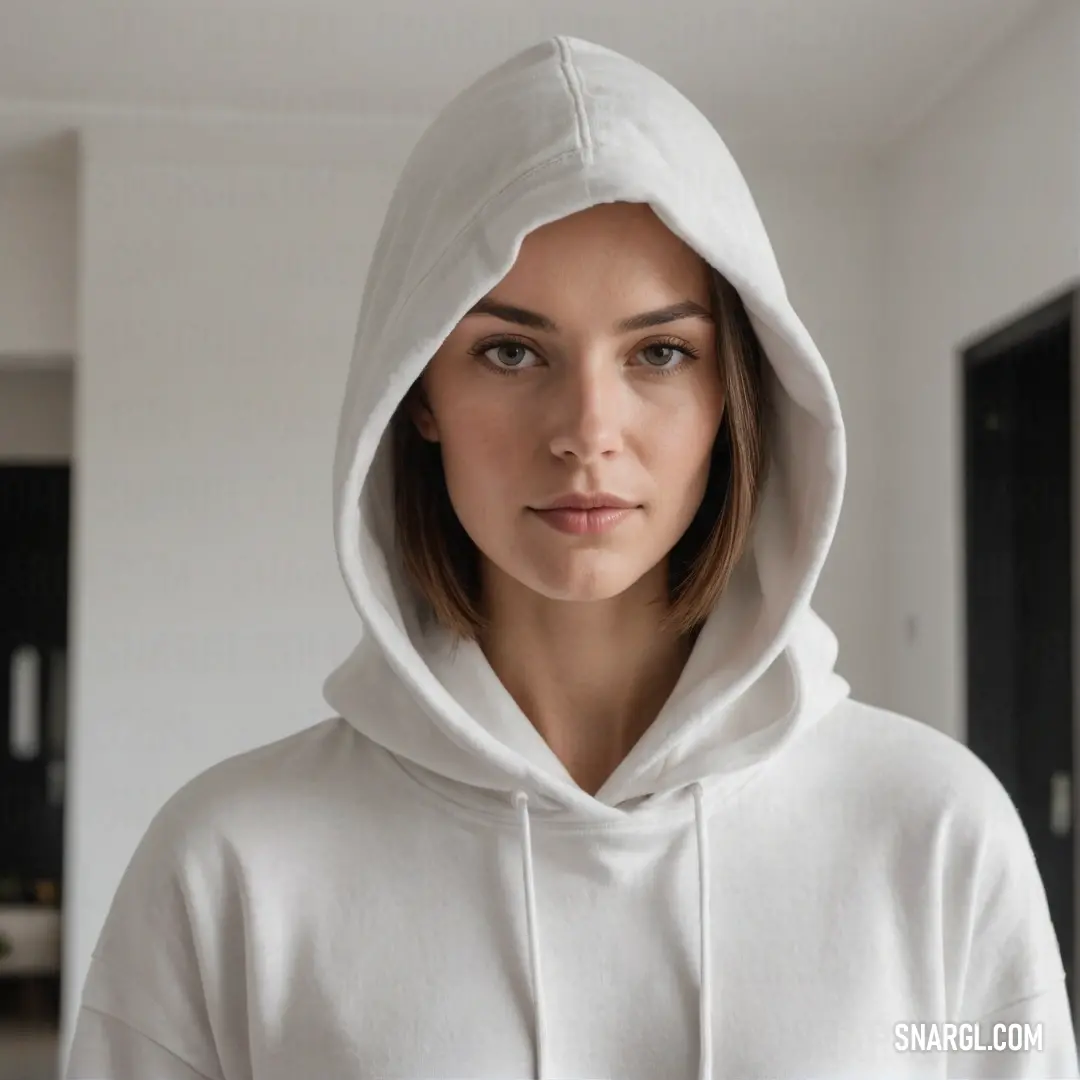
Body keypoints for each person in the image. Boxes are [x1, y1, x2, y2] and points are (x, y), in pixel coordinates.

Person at [65, 35, 1077, 1080]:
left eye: (659, 353)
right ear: (419, 393)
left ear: (736, 390)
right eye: (511, 351)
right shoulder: (230, 869)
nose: (587, 430)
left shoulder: (932, 836)